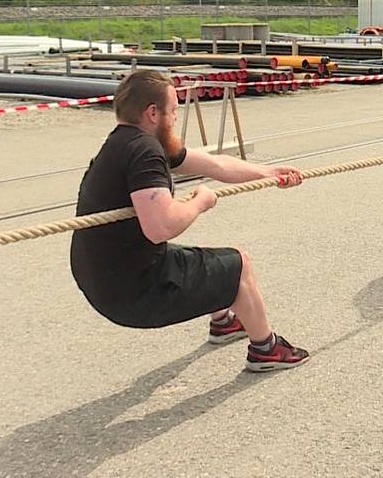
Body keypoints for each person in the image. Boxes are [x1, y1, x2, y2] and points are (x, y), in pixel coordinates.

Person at [70, 70, 309, 372]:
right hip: (130, 292)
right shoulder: (145, 151)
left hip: (100, 279)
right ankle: (266, 349)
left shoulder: (123, 142)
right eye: (173, 110)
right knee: (240, 264)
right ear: (153, 113)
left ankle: (223, 322)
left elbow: (216, 164)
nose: (175, 117)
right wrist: (200, 202)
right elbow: (160, 228)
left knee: (200, 257)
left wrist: (268, 172)